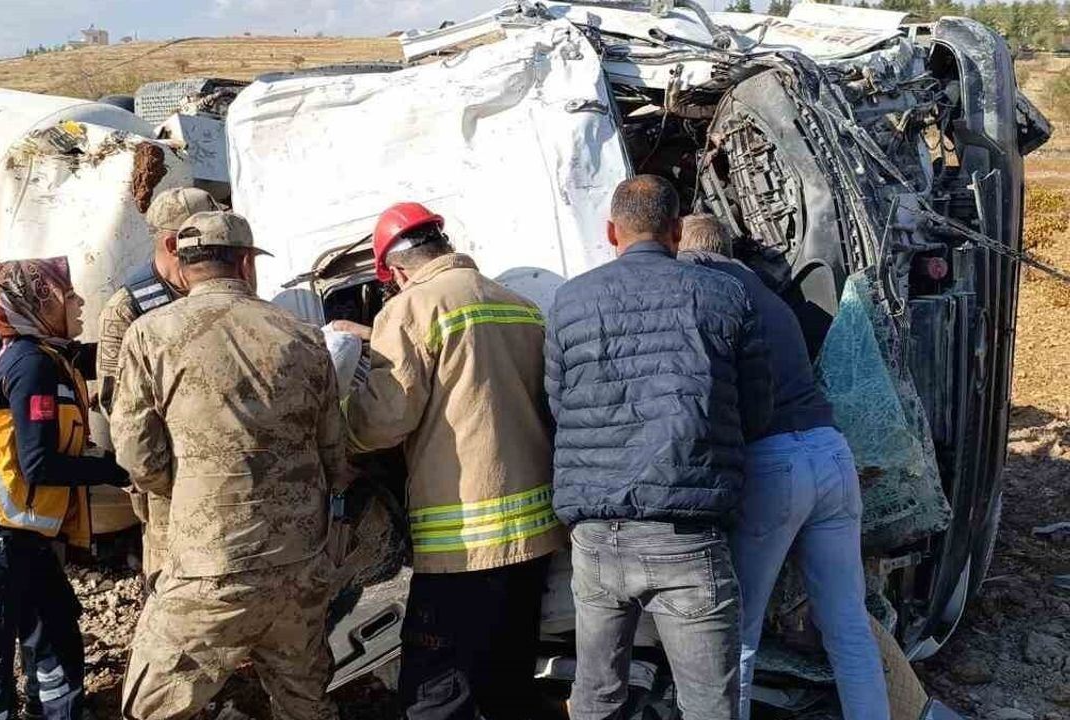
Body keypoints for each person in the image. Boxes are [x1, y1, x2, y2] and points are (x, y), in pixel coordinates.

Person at [544, 177, 774, 720]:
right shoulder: (724, 295)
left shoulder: (569, 300)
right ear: (676, 232)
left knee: (597, 696)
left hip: (596, 535)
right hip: (686, 534)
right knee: (707, 706)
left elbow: (558, 404)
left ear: (609, 232)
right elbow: (758, 410)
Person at [112, 210, 348, 720]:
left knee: (153, 707)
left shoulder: (151, 335)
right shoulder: (304, 335)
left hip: (209, 563)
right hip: (300, 558)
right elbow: (335, 452)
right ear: (244, 263)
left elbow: (135, 453)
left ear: (183, 264)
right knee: (305, 702)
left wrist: (194, 492)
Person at [342, 202, 563, 720]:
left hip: (464, 537)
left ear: (394, 271)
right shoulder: (519, 305)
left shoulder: (411, 308)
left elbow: (383, 421)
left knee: (434, 694)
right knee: (508, 682)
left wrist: (344, 414)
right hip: (534, 530)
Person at [678, 214, 889, 720]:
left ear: (685, 250)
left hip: (775, 463)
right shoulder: (770, 296)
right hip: (831, 452)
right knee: (847, 625)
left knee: (738, 629)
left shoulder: (708, 293)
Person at [0, 257, 129, 720]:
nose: (78, 301)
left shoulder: (50, 356)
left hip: (21, 538)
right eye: (66, 294)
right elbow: (39, 463)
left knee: (57, 643)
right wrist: (115, 470)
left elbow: (105, 354)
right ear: (33, 305)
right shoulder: (30, 364)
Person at [96, 186, 222, 585]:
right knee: (175, 584)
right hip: (172, 485)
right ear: (172, 242)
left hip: (229, 471)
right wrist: (171, 474)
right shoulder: (128, 309)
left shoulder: (221, 285)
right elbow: (118, 409)